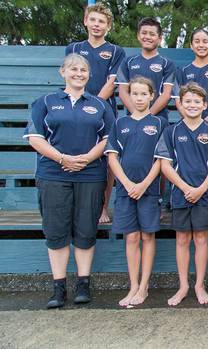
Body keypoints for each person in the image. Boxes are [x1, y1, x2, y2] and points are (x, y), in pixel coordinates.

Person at [24, 54, 115, 308]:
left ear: (89, 75)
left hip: (90, 175)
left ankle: (83, 284)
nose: (79, 73)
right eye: (73, 69)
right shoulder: (46, 102)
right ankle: (59, 287)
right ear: (62, 72)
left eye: (83, 70)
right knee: (56, 230)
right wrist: (62, 158)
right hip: (53, 175)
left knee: (86, 229)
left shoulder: (99, 105)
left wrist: (86, 158)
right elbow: (35, 137)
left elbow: (109, 138)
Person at [155, 83, 208, 306]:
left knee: (201, 238)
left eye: (197, 102)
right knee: (182, 239)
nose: (192, 105)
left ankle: (199, 285)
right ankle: (183, 285)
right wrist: (185, 188)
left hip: (204, 194)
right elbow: (165, 166)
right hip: (179, 194)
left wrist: (201, 188)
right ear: (180, 105)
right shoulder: (171, 131)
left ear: (205, 105)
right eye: (188, 102)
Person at [105, 77, 163, 307]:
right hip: (125, 191)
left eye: (143, 94)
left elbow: (161, 160)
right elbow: (112, 157)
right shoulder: (120, 124)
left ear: (152, 96)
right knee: (131, 237)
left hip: (148, 190)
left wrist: (144, 184)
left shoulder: (159, 124)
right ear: (129, 96)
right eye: (135, 94)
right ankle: (133, 285)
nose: (139, 98)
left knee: (147, 236)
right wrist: (127, 184)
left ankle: (144, 286)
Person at [66, 3, 126, 224]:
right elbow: (70, 78)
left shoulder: (116, 51)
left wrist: (93, 106)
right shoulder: (73, 48)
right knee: (77, 154)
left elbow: (112, 82)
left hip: (104, 110)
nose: (97, 24)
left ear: (108, 25)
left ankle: (102, 208)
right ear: (85, 21)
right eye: (93, 20)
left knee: (108, 158)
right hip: (75, 111)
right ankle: (75, 207)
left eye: (102, 21)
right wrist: (81, 106)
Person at [116, 17, 175, 123]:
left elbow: (167, 94)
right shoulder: (128, 62)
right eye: (144, 33)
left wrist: (148, 115)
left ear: (160, 38)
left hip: (158, 119)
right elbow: (123, 92)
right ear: (138, 35)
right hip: (132, 118)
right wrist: (136, 114)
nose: (147, 37)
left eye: (152, 34)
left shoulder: (167, 63)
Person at [174, 28, 208, 129]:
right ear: (191, 46)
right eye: (197, 41)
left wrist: (206, 121)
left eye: (205, 41)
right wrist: (191, 121)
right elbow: (178, 100)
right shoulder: (182, 70)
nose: (201, 45)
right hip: (188, 125)